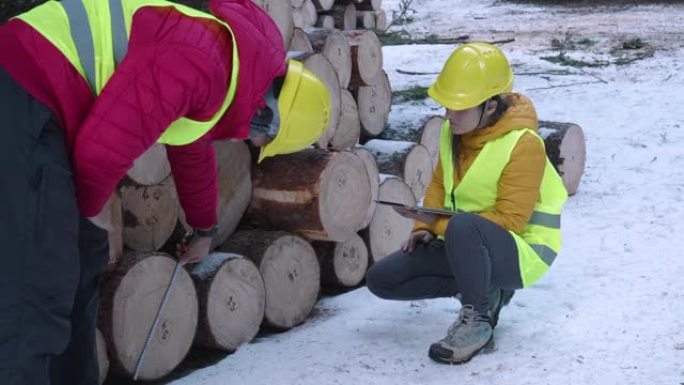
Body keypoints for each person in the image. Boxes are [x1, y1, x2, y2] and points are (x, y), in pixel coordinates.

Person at [0, 0, 331, 383]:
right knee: (36, 286)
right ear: (267, 117)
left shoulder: (226, 70)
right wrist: (90, 210)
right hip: (25, 84)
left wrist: (204, 228)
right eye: (260, 141)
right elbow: (101, 148)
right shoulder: (203, 59)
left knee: (85, 255)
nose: (251, 143)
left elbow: (190, 144)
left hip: (44, 95)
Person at [366, 42, 568, 365]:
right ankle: (486, 289)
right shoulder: (453, 131)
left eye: (459, 107)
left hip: (522, 253)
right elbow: (437, 184)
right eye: (447, 105)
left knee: (462, 226)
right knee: (382, 279)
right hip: (469, 242)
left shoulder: (524, 144)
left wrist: (439, 224)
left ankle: (477, 321)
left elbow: (511, 221)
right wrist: (423, 226)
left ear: (490, 107)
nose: (448, 114)